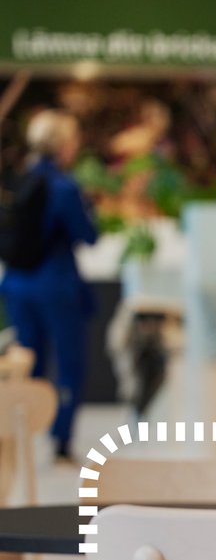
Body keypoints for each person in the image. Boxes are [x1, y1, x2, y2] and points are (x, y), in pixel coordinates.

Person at [0, 109, 99, 461]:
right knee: (69, 363)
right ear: (64, 145)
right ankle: (60, 441)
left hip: (16, 283)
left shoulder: (18, 180)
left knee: (27, 363)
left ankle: (16, 437)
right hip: (56, 284)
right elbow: (87, 235)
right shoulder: (64, 187)